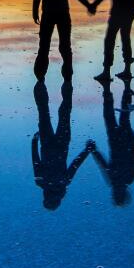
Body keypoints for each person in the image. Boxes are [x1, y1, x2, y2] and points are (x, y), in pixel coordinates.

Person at [32, 0, 94, 80]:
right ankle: (48, 75)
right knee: (54, 46)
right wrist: (34, 11)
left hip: (55, 15)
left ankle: (52, 75)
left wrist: (88, 5)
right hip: (57, 15)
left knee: (50, 46)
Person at [32, 81, 93, 210]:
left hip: (61, 143)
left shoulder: (63, 182)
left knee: (64, 112)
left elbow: (76, 164)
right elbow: (35, 160)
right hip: (48, 143)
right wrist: (34, 141)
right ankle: (42, 82)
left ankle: (66, 82)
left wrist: (87, 151)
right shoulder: (41, 181)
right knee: (44, 112)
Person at [89, 81, 134, 207]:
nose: (115, 192)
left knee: (120, 115)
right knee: (115, 115)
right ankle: (115, 89)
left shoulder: (126, 178)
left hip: (119, 141)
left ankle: (121, 88)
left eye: (114, 195)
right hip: (120, 141)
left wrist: (93, 150)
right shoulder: (122, 178)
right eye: (117, 194)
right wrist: (93, 150)